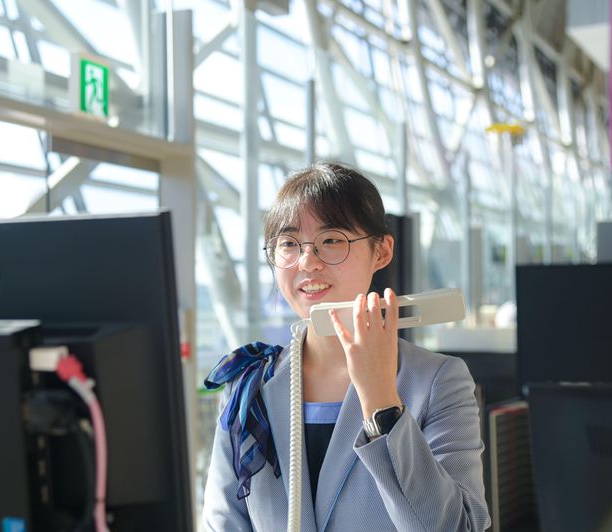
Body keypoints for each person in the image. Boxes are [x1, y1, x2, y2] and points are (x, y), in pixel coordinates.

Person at [202, 162, 490, 531]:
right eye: (289, 244)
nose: (308, 262)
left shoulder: (438, 381)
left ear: (381, 251)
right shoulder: (248, 387)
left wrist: (381, 401)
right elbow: (222, 523)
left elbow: (460, 527)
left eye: (332, 240)